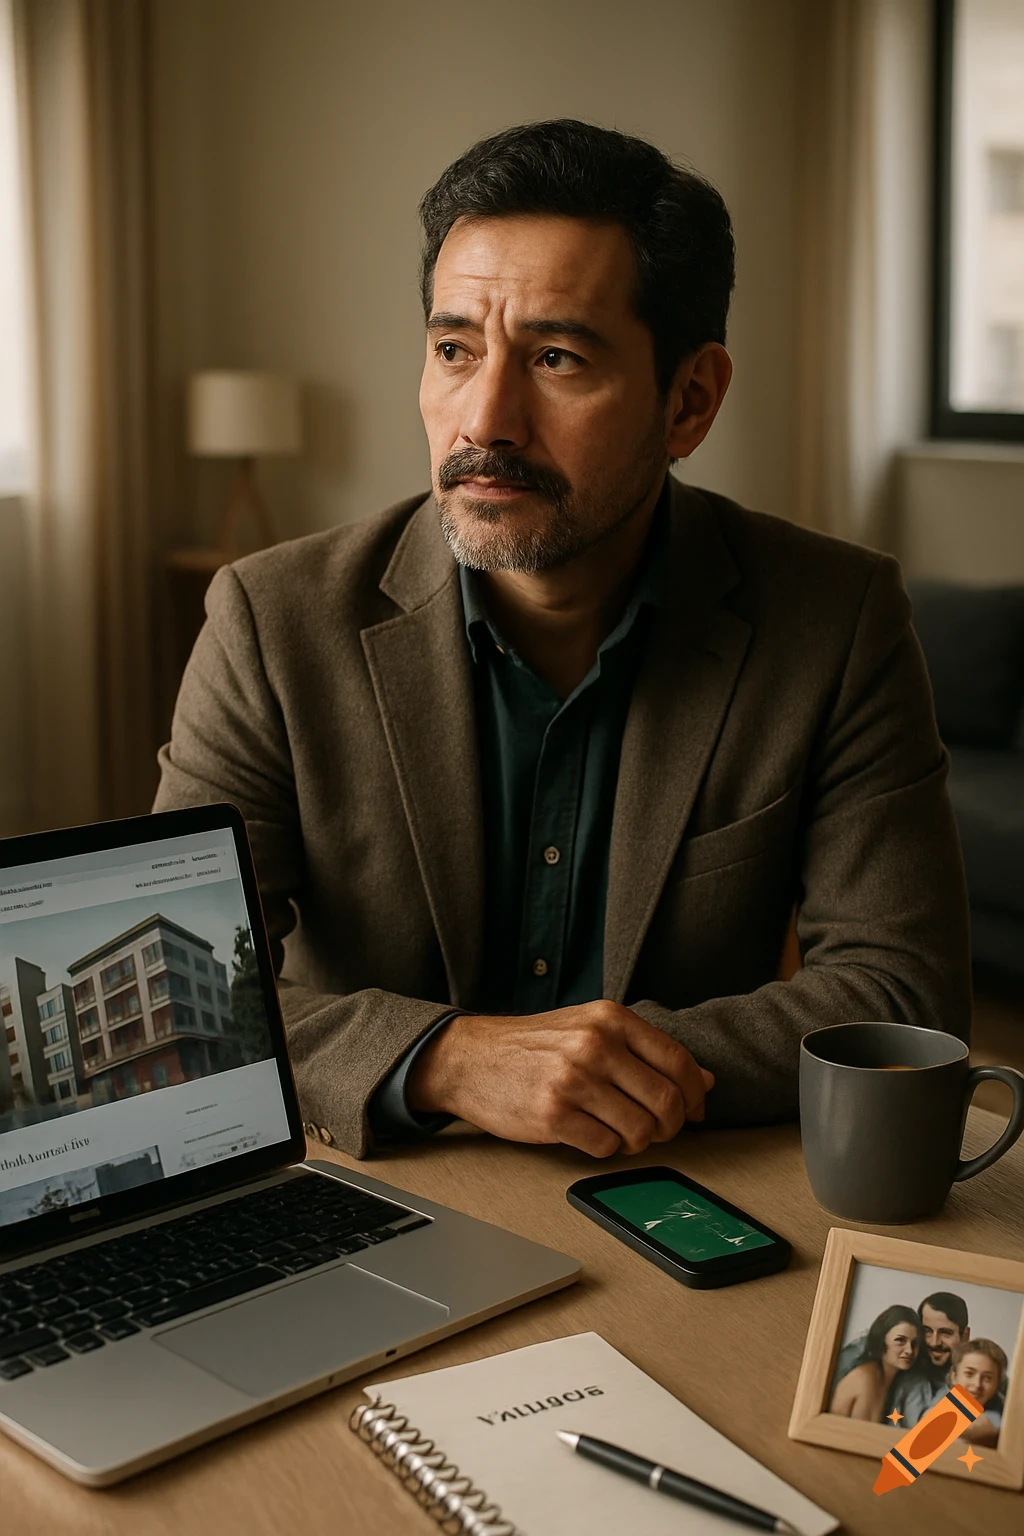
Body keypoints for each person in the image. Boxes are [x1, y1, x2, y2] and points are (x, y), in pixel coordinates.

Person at [154, 118, 972, 1158]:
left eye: (555, 357)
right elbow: (197, 1004)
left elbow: (898, 995)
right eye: (453, 349)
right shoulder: (271, 621)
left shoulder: (834, 620)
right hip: (380, 1184)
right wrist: (443, 1061)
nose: (484, 418)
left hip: (676, 1193)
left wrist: (586, 1074)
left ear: (689, 401)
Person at [829, 1307, 921, 1421]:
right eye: (900, 1340)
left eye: (915, 1343)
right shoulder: (865, 1378)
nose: (910, 1350)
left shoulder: (892, 1381)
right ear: (881, 1341)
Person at [947, 1338, 1008, 1448]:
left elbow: (982, 1426)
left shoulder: (998, 1418)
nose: (977, 1384)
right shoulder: (937, 1401)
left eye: (987, 1378)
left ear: (997, 1385)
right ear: (954, 1376)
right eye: (969, 1374)